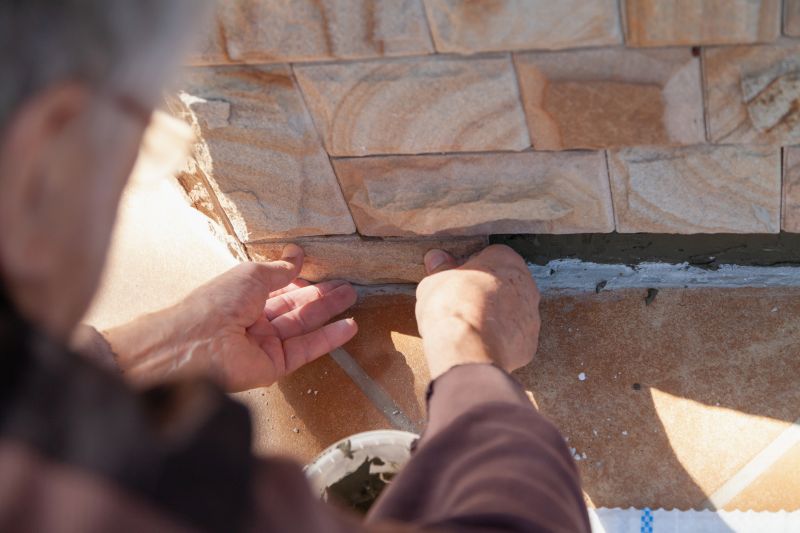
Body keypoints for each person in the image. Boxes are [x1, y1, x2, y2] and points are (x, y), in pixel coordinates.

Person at [0, 1, 590, 531]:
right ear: (41, 169)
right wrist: (469, 352)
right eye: (143, 143)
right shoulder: (123, 499)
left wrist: (145, 353)